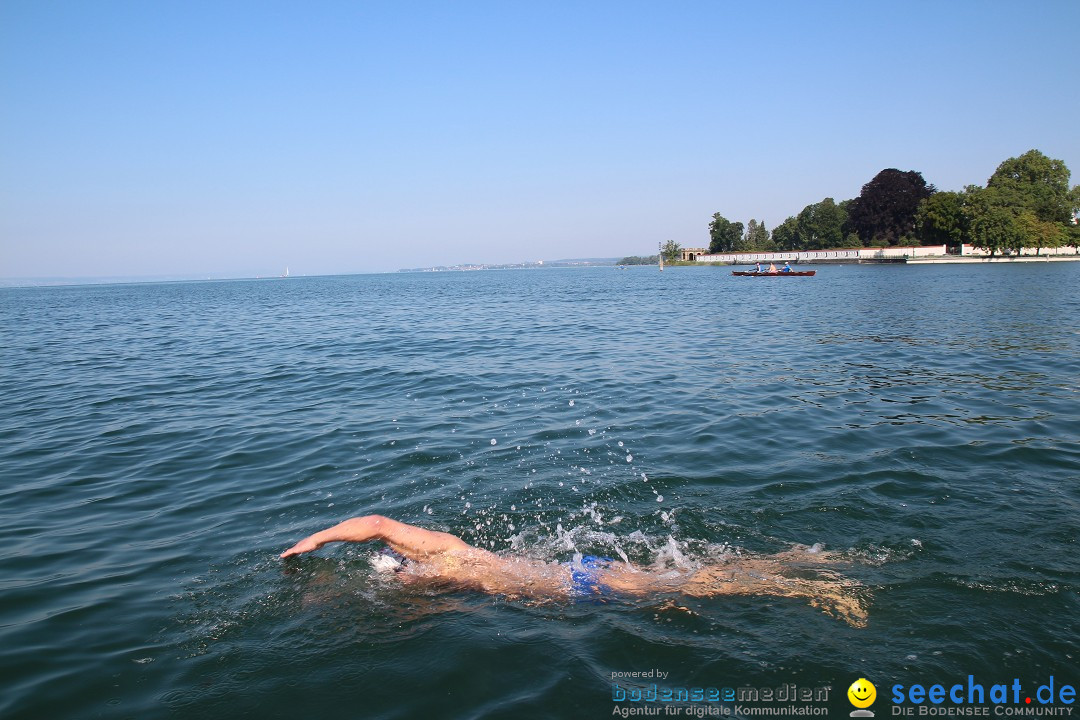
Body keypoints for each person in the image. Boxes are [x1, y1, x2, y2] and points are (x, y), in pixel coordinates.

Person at [281, 514, 868, 626]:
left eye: (397, 569)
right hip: (578, 572)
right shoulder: (446, 552)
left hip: (576, 584)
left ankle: (812, 587)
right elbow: (381, 526)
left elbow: (378, 522)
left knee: (693, 586)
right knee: (690, 577)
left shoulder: (436, 563)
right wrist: (318, 543)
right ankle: (805, 563)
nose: (400, 571)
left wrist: (314, 541)